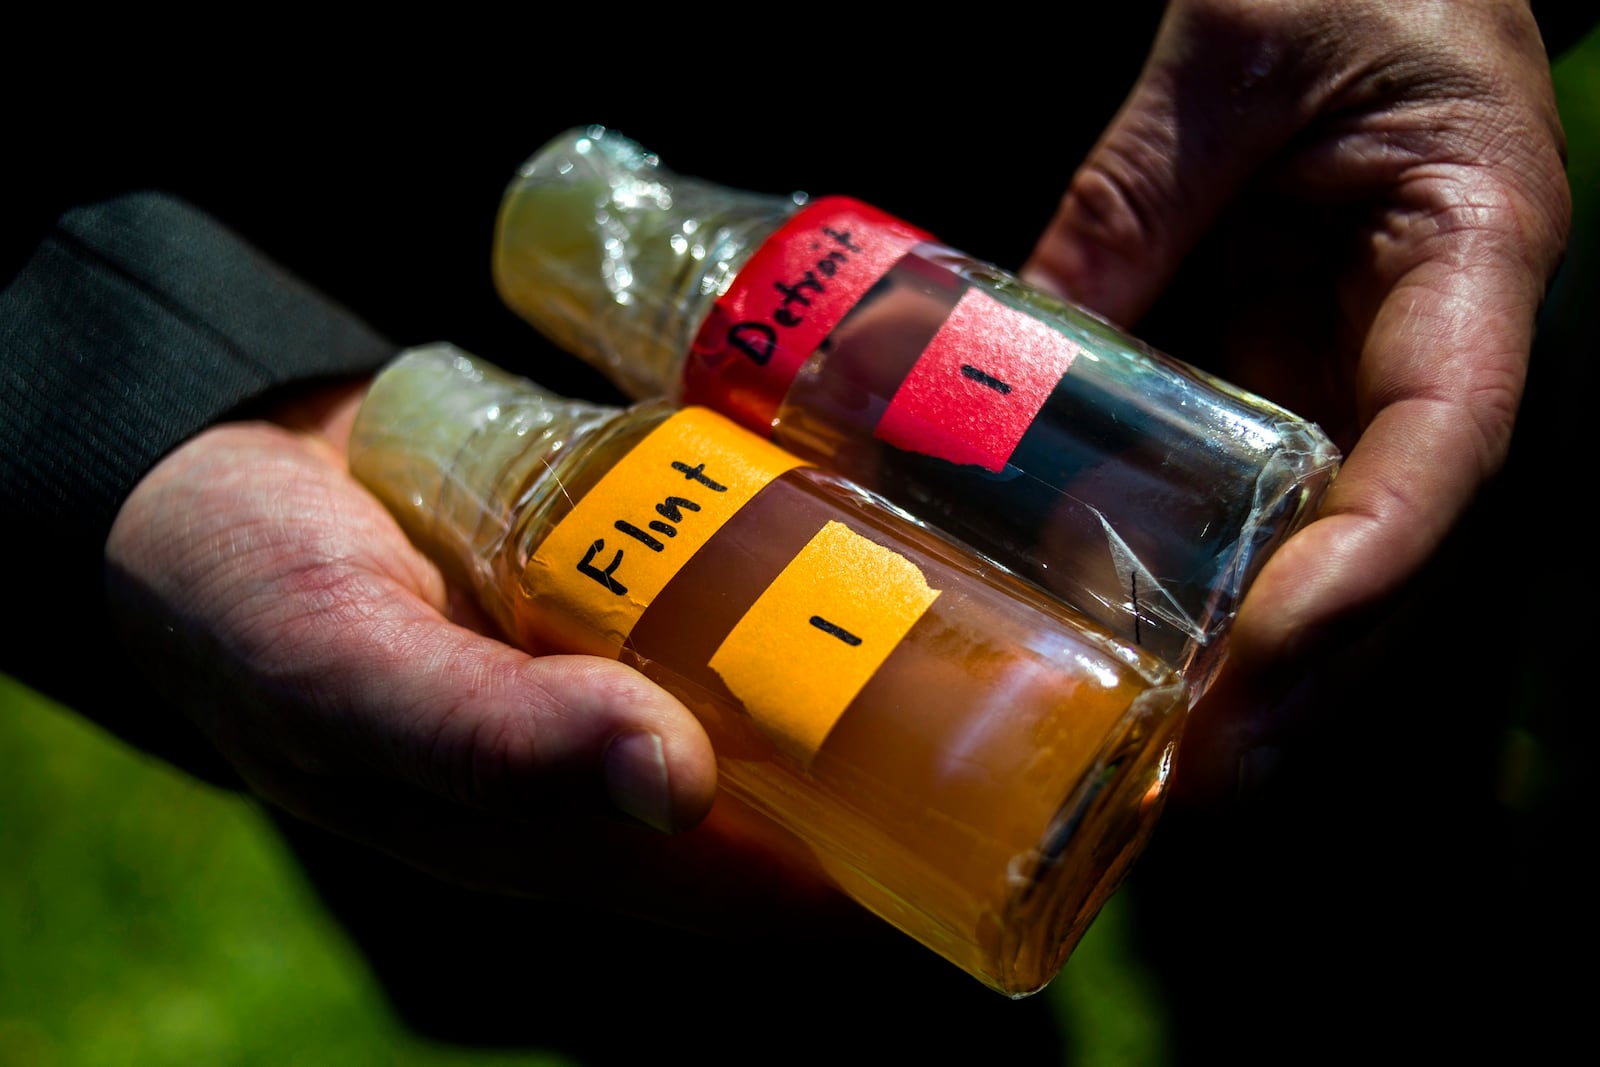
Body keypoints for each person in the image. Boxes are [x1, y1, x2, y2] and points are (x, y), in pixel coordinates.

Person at [3, 2, 1587, 1059]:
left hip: (1225, 196)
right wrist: (156, 396)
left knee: (1371, 887)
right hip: (325, 280)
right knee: (757, 971)